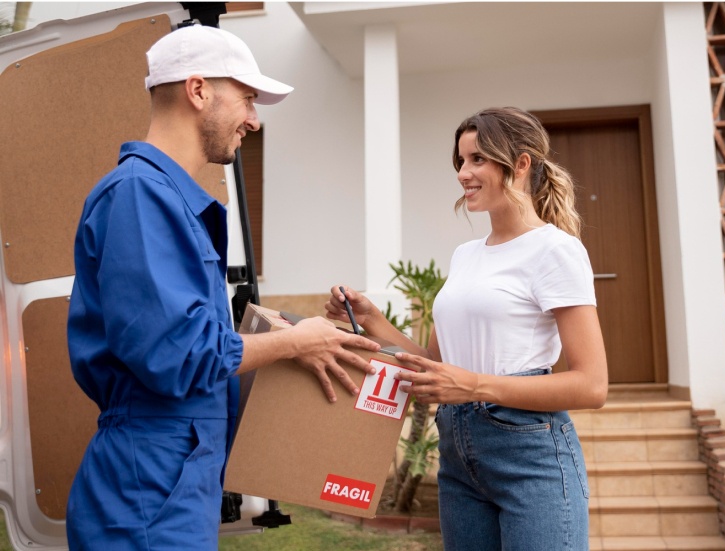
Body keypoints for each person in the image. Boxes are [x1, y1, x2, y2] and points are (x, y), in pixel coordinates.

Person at [66, 24, 380, 551]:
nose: (254, 120)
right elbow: (174, 353)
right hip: (149, 486)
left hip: (175, 477)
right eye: (248, 99)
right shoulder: (141, 197)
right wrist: (294, 342)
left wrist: (257, 334)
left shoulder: (167, 199)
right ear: (198, 90)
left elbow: (176, 335)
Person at [326, 107, 608, 551]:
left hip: (529, 456)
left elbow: (591, 386)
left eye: (477, 159)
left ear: (520, 164)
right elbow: (438, 367)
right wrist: (372, 318)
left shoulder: (555, 250)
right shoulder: (466, 256)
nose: (463, 173)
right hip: (458, 457)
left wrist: (474, 385)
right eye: (460, 161)